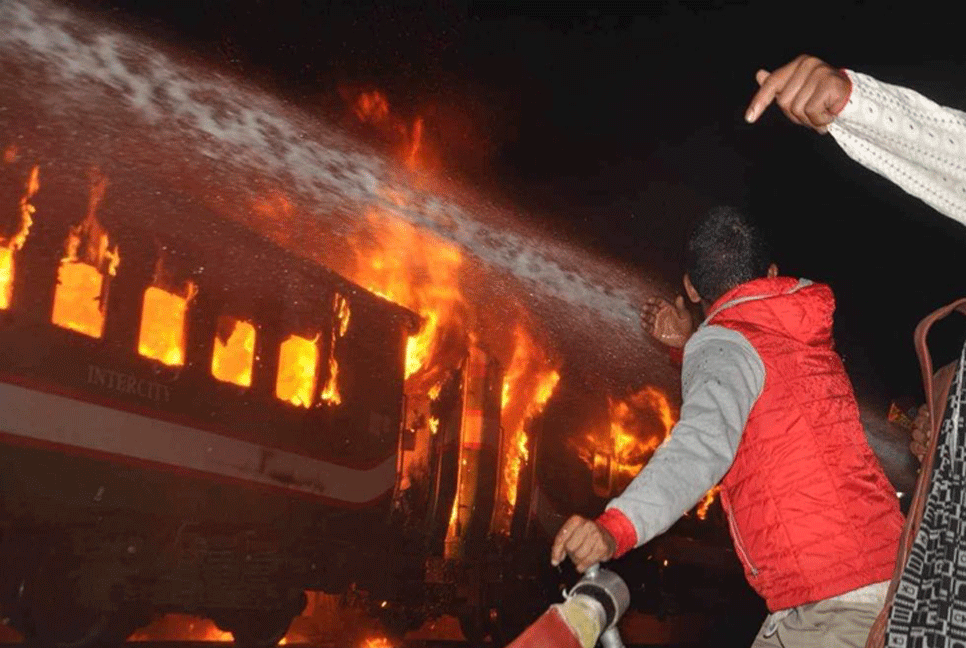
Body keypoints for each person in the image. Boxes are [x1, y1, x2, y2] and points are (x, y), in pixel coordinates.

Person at [551, 205, 905, 647]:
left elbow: (701, 446)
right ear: (771, 274)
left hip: (835, 604)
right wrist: (689, 347)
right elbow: (758, 397)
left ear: (691, 288)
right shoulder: (796, 338)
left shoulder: (724, 344)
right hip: (869, 583)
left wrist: (615, 528)